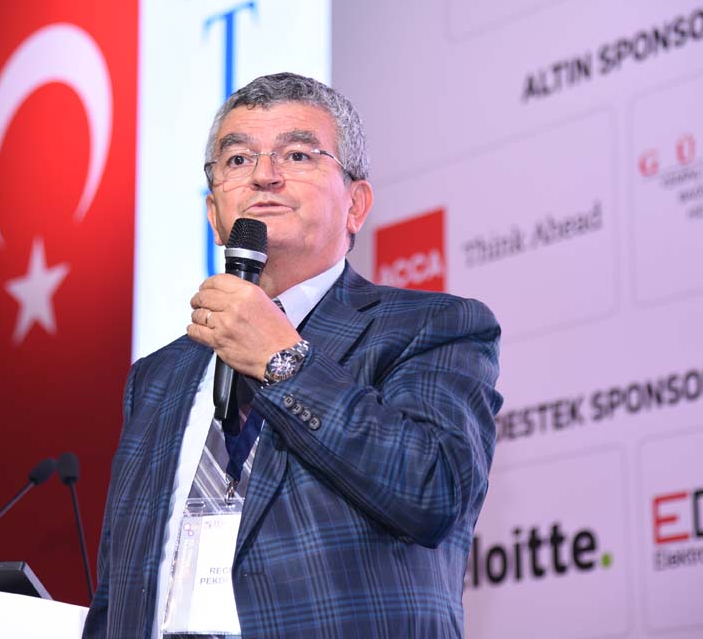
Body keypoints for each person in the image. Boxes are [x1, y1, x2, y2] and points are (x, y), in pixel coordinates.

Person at [83, 73, 503, 638]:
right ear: (213, 214)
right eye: (238, 159)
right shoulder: (157, 377)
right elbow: (117, 587)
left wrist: (283, 359)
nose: (264, 175)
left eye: (298, 154)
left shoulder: (431, 327)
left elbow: (432, 492)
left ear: (356, 204)